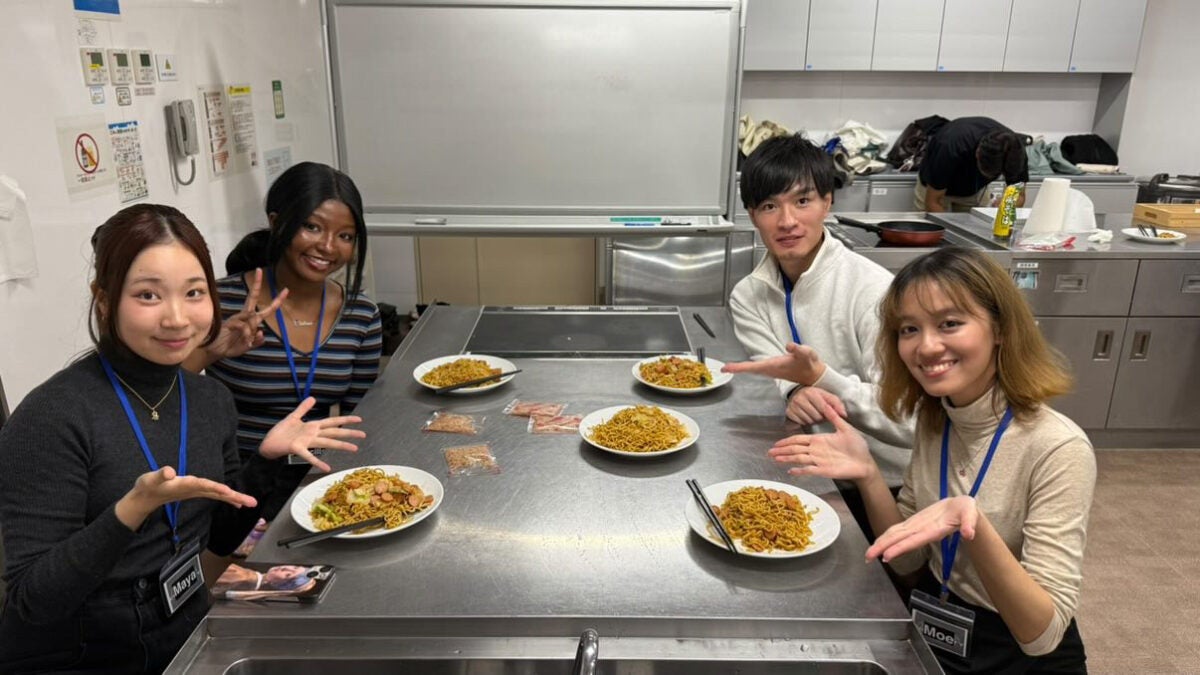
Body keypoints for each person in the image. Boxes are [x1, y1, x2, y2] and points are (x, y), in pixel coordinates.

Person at [0, 204, 364, 673]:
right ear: (105, 300)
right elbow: (34, 601)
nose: (176, 318)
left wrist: (267, 459)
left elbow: (220, 534)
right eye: (148, 296)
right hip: (83, 651)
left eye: (194, 292)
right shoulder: (53, 416)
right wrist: (131, 509)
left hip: (183, 625)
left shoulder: (209, 398)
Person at [766, 247, 1094, 672]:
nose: (927, 346)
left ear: (999, 328)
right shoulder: (937, 418)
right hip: (939, 626)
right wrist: (868, 474)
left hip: (1017, 652)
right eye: (909, 329)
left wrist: (971, 524)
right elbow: (906, 562)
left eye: (950, 324)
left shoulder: (1058, 447)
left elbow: (1042, 634)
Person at [723, 134, 914, 533]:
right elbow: (778, 376)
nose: (787, 221)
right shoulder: (748, 297)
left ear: (828, 202)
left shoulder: (874, 291)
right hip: (811, 473)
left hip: (892, 484)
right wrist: (795, 391)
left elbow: (909, 420)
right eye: (770, 206)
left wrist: (820, 379)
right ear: (752, 215)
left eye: (802, 201)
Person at [187, 161, 383, 522]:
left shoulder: (361, 316)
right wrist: (209, 351)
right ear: (277, 223)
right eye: (312, 227)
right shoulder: (221, 301)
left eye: (345, 235)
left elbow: (361, 419)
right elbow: (164, 395)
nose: (327, 247)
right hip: (234, 486)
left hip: (316, 485)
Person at [915, 116, 1029, 213]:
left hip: (974, 190)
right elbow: (933, 201)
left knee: (982, 229)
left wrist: (1005, 206)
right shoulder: (950, 146)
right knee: (936, 231)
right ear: (977, 153)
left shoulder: (1015, 153)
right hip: (935, 190)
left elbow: (1019, 196)